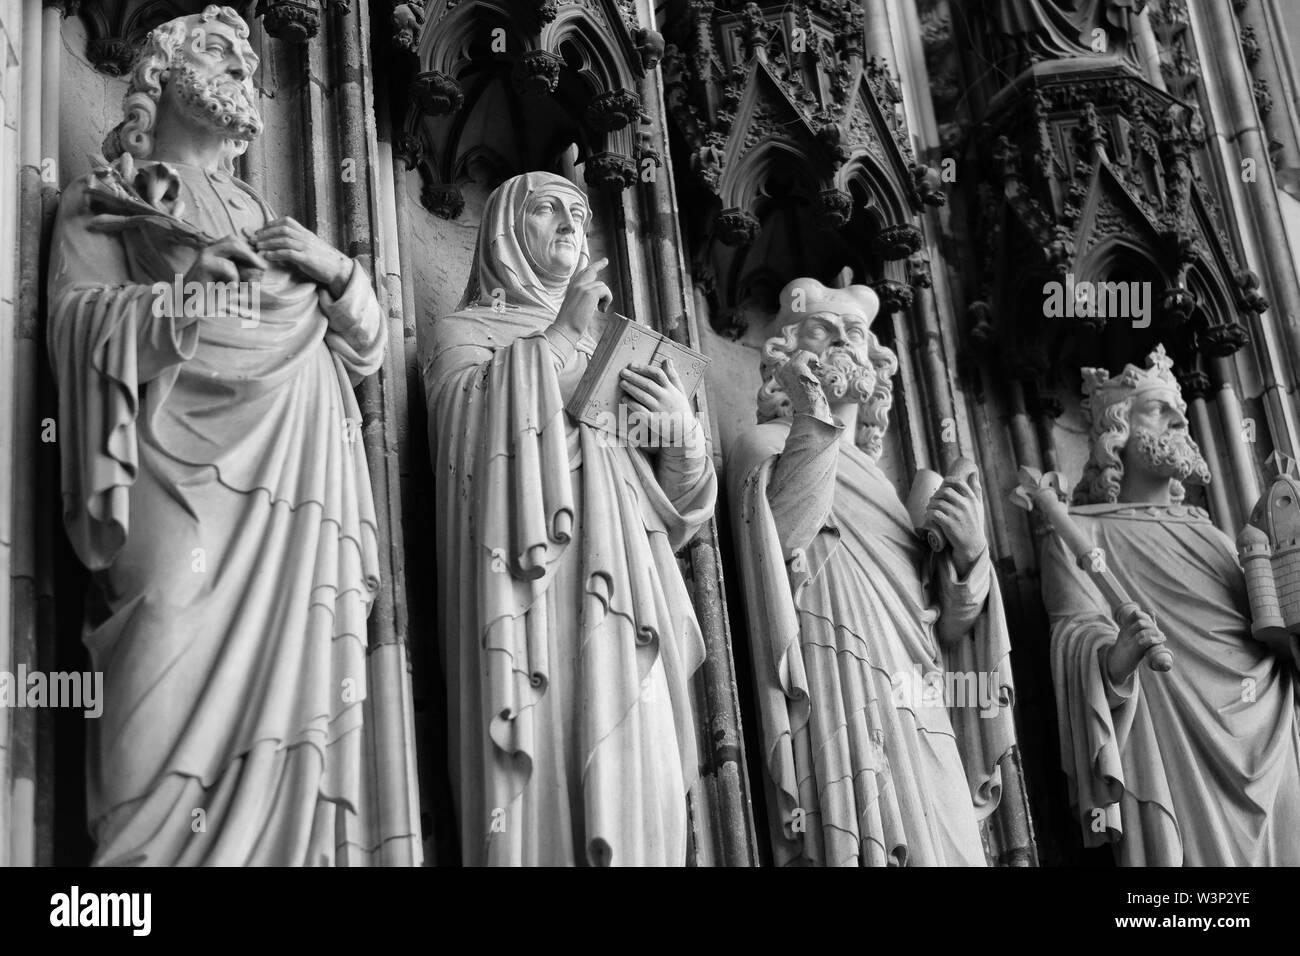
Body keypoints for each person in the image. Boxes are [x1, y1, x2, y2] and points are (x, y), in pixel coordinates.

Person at [47, 6, 414, 865]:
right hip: (176, 461)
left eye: (250, 62)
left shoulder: (274, 220)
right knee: (166, 608)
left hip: (300, 460)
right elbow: (74, 324)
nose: (242, 68)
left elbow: (367, 353)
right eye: (217, 51)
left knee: (306, 675)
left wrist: (341, 272)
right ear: (161, 73)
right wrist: (183, 297)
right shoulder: (117, 195)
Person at [424, 171, 716, 865]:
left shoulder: (614, 352)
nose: (569, 225)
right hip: (531, 597)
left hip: (632, 588)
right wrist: (555, 340)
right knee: (554, 752)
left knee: (644, 759)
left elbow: (677, 511)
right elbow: (465, 442)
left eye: (580, 214)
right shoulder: (465, 332)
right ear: (503, 230)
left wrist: (682, 437)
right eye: (548, 208)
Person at [728, 278, 1016, 866]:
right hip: (836, 675)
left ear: (875, 367)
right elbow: (777, 541)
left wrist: (967, 557)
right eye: (821, 329)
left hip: (917, 693)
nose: (840, 339)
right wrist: (813, 418)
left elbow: (942, 632)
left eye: (854, 333)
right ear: (787, 354)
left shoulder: (888, 488)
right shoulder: (763, 442)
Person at [1042, 345, 1300, 865]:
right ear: (1117, 432)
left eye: (1181, 409)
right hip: (1172, 742)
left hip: (1270, 743)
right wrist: (1116, 660)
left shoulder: (1222, 539)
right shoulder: (1078, 533)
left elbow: (1275, 632)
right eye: (1160, 409)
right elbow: (1073, 636)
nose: (1182, 419)